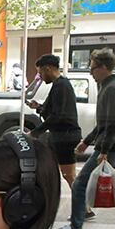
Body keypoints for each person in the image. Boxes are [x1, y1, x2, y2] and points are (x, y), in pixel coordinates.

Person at [72, 48, 115, 229]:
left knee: (80, 184)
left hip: (113, 148)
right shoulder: (110, 86)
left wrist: (103, 151)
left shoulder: (112, 89)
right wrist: (87, 141)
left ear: (104, 68)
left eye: (93, 68)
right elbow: (105, 123)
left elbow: (113, 123)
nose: (91, 72)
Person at [28, 54, 82, 186]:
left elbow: (58, 115)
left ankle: (80, 205)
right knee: (57, 174)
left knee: (69, 176)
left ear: (48, 69)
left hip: (65, 137)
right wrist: (39, 107)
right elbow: (55, 110)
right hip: (60, 136)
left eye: (40, 72)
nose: (40, 76)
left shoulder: (61, 86)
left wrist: (35, 132)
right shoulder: (59, 85)